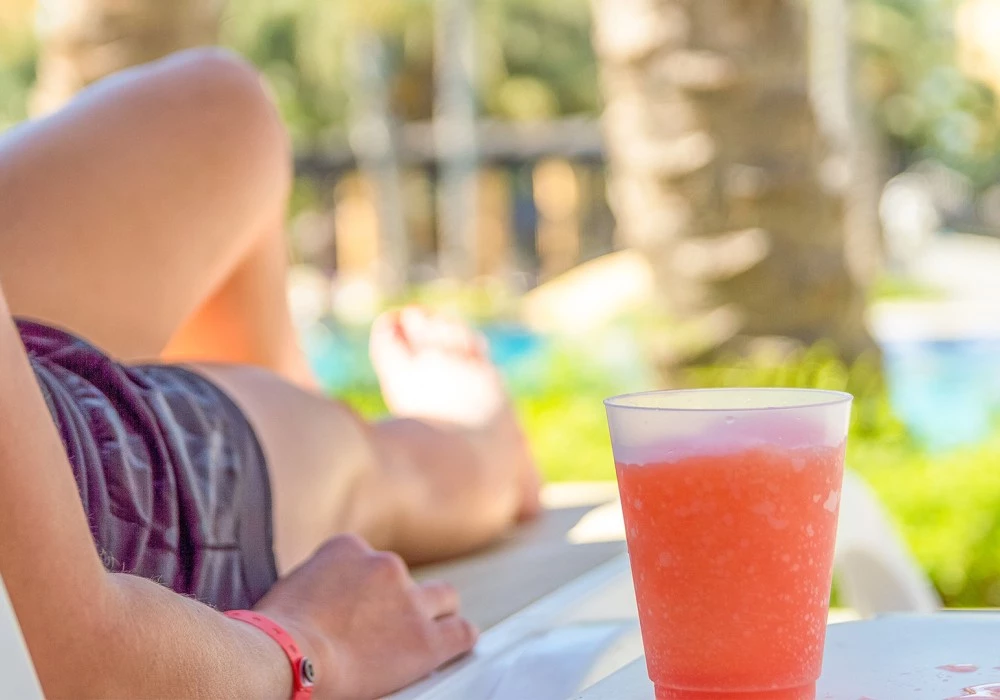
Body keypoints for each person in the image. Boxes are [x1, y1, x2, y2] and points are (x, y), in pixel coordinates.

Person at [0, 47, 541, 698]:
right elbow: (77, 671)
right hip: (111, 547)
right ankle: (458, 448)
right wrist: (310, 642)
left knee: (219, 115)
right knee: (374, 470)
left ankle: (294, 450)